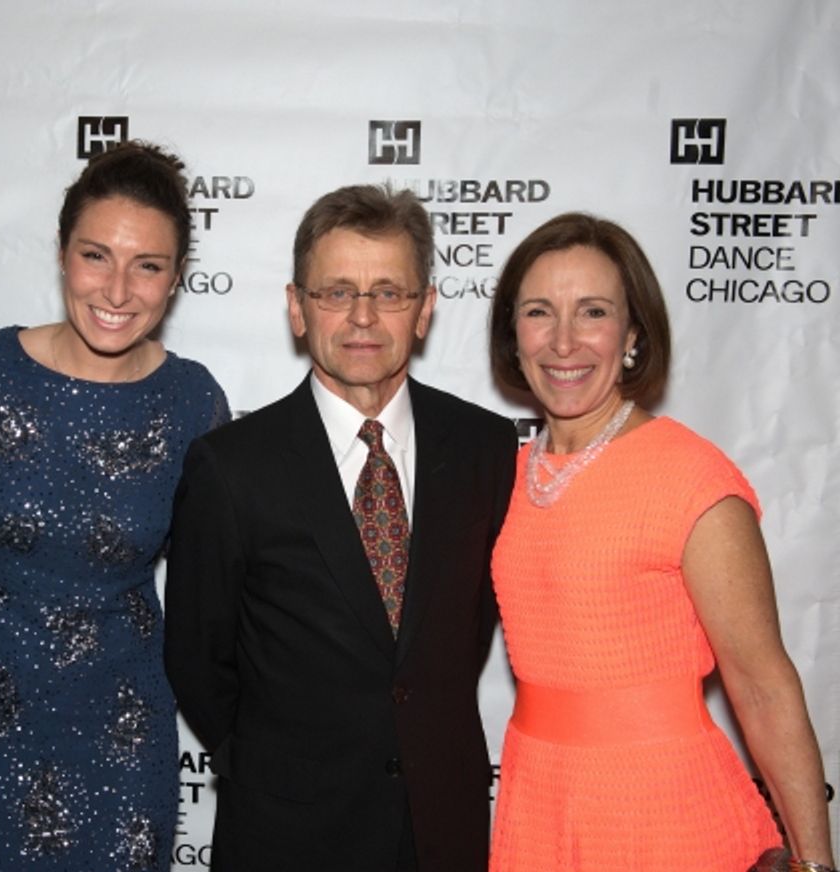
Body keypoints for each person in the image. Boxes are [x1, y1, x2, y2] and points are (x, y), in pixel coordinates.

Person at [164, 183, 518, 871]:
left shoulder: (484, 447)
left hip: (440, 829)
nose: (363, 316)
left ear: (425, 310)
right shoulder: (231, 465)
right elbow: (197, 658)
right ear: (298, 309)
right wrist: (277, 768)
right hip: (286, 833)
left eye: (390, 291)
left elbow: (468, 630)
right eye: (336, 292)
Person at [487, 212, 835, 871]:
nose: (564, 341)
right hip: (539, 802)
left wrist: (816, 865)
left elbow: (762, 685)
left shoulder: (692, 477)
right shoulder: (502, 475)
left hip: (667, 814)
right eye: (539, 312)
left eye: (592, 311)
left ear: (633, 335)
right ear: (514, 334)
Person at [0, 141, 229, 871]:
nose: (118, 290)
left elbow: (219, 597)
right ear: (63, 254)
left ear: (176, 278)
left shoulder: (194, 401)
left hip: (123, 735)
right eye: (96, 255)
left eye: (149, 265)